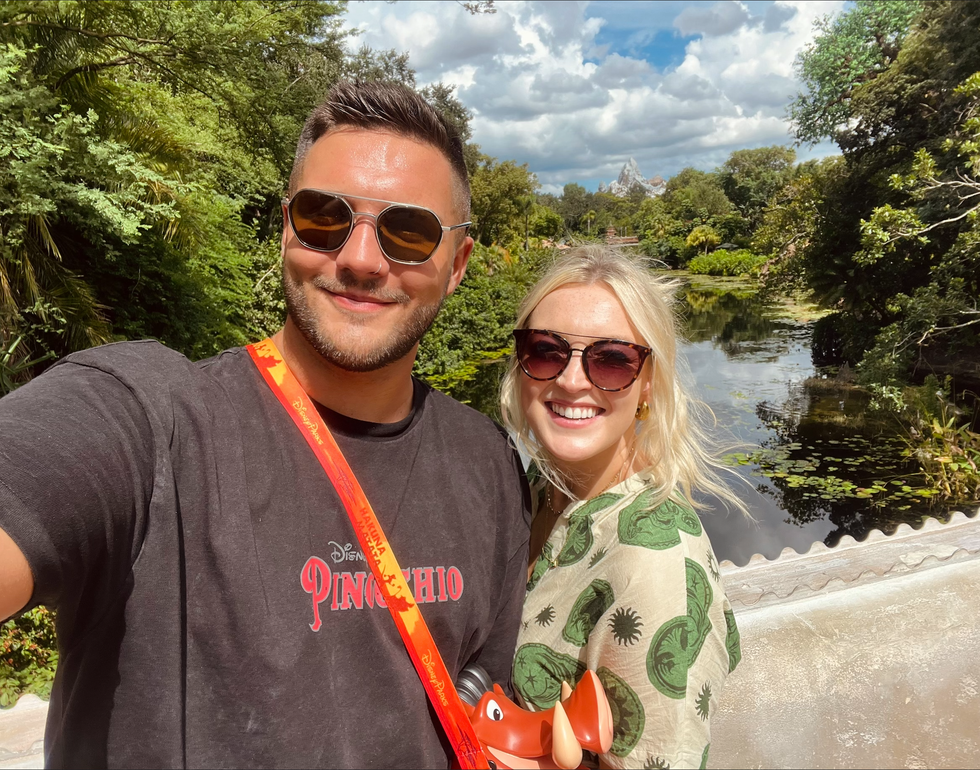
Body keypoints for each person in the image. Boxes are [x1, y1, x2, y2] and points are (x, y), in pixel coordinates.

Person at [0, 81, 531, 769]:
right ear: (286, 229)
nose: (361, 259)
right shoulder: (154, 420)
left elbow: (480, 698)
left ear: (456, 264)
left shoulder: (486, 460)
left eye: (408, 231)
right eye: (323, 217)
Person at [499, 246, 744, 769]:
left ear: (649, 380)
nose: (570, 380)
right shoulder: (541, 488)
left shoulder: (653, 564)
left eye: (611, 359)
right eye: (546, 351)